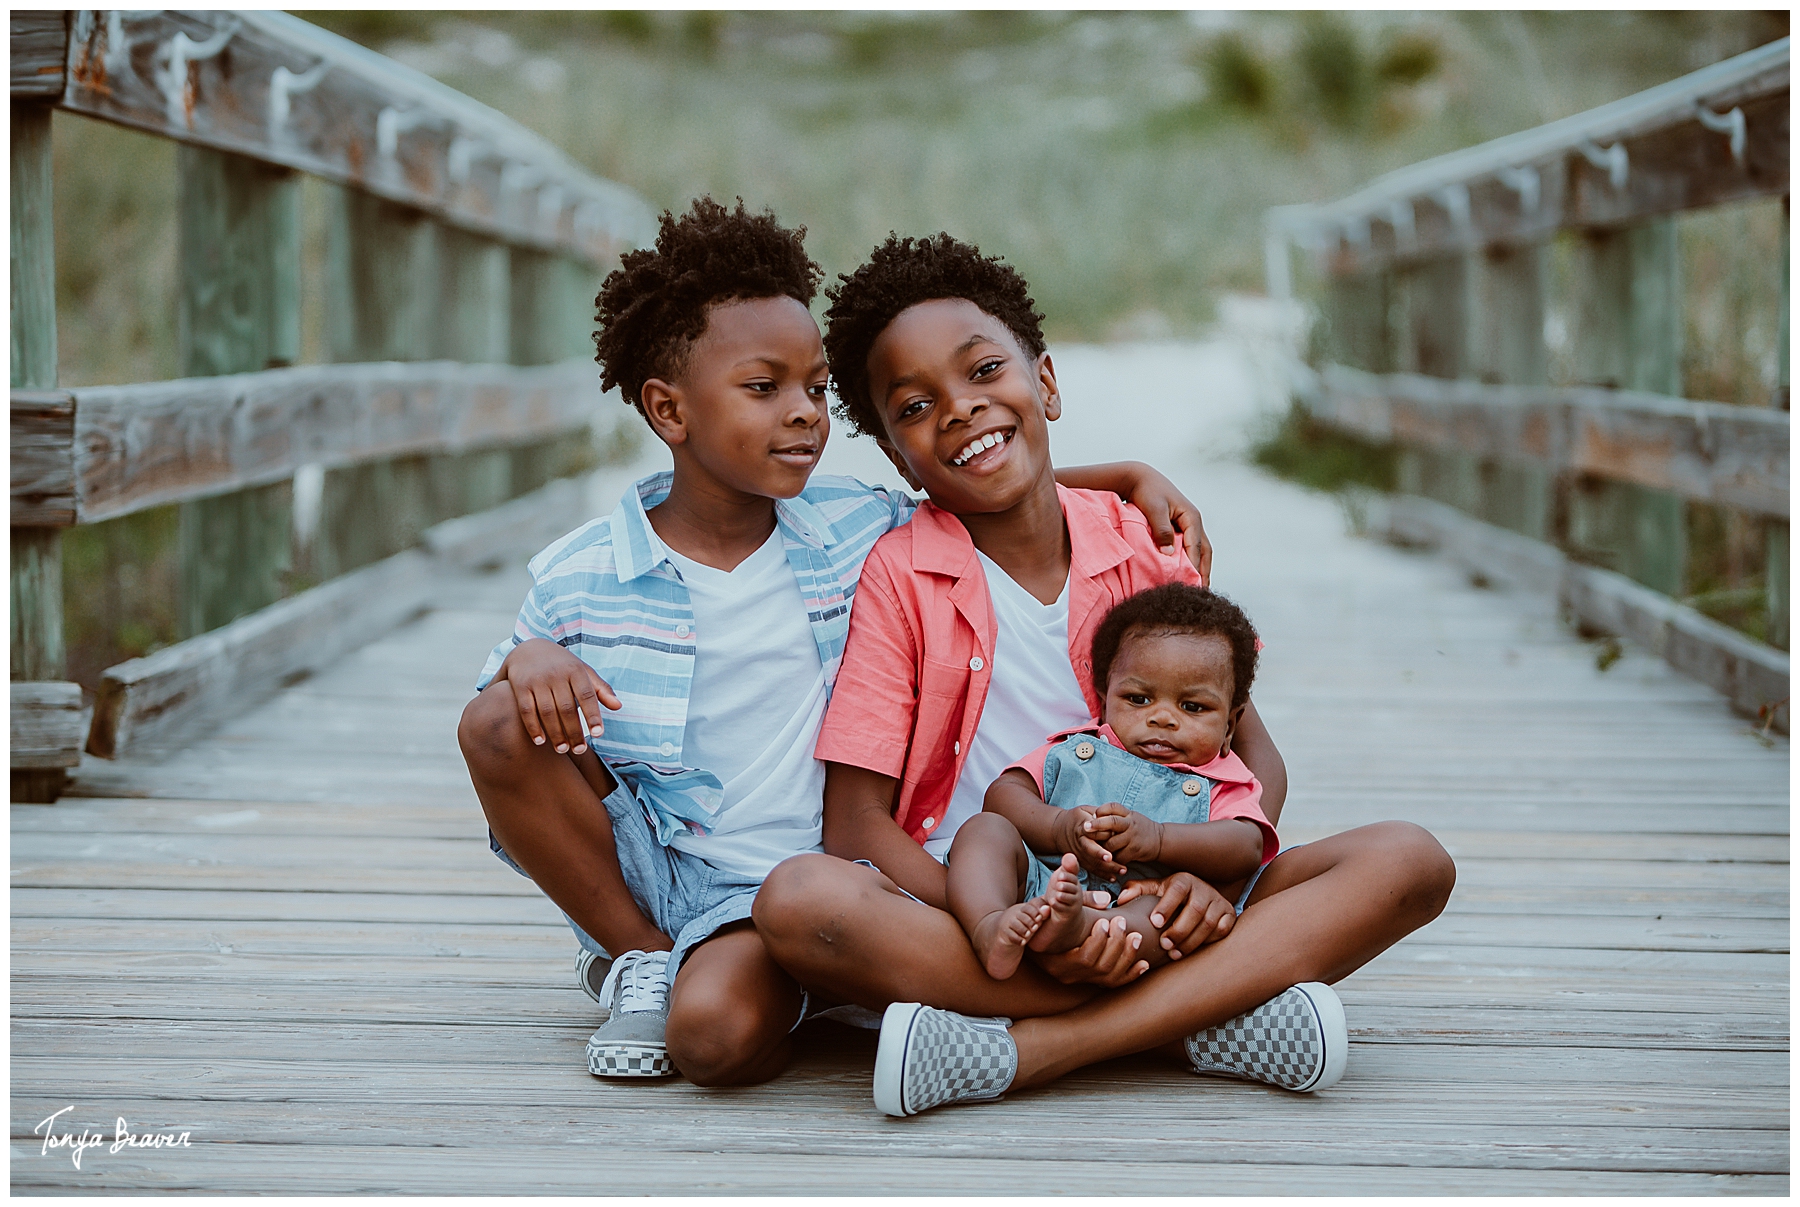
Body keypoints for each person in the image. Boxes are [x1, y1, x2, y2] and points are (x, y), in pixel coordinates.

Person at [457, 199, 1211, 1087]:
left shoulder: (853, 524)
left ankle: (817, 979)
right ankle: (642, 959)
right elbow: (503, 701)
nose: (806, 414)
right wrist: (527, 657)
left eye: (816, 388)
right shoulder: (585, 571)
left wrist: (1125, 477)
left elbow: (976, 476)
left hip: (810, 875)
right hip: (662, 867)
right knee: (496, 722)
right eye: (763, 388)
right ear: (669, 409)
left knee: (714, 1040)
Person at [750, 232, 1456, 1116]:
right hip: (985, 904)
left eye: (983, 371)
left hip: (1167, 886)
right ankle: (1204, 1015)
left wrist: (1209, 878)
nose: (962, 410)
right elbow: (855, 820)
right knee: (799, 899)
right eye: (918, 406)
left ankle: (1034, 1048)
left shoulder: (1140, 544)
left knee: (1410, 859)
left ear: (1044, 381)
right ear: (897, 456)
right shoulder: (900, 571)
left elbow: (1252, 756)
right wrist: (1015, 925)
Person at [947, 583, 1278, 983]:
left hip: (1134, 905)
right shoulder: (1078, 748)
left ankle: (1077, 929)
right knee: (984, 830)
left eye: (1192, 707)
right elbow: (1003, 796)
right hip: (1040, 881)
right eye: (1138, 699)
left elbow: (1246, 846)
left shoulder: (1223, 781)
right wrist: (1058, 827)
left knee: (1163, 912)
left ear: (1231, 723)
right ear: (1104, 699)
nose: (1162, 718)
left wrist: (1158, 838)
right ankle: (990, 925)